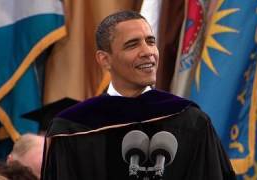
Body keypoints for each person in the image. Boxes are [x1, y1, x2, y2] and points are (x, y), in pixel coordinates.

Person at [41, 11, 236, 180]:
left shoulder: (189, 120)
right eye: (132, 45)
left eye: (151, 41)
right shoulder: (73, 128)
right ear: (105, 59)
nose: (148, 52)